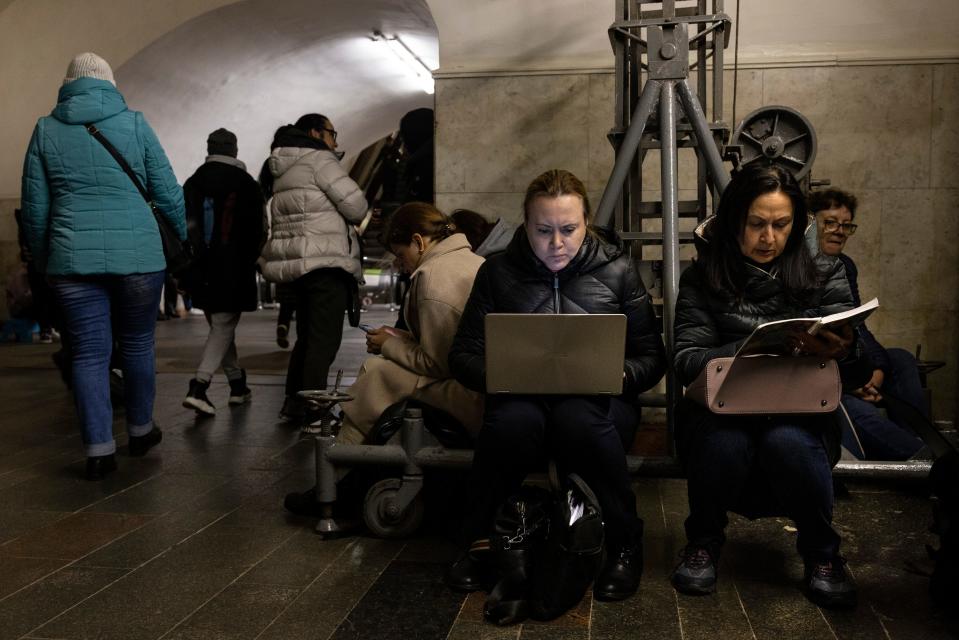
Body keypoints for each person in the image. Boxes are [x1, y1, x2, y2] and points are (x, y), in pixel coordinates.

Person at [445, 169, 667, 606]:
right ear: (525, 225)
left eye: (569, 229)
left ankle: (624, 542)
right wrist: (501, 374)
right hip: (521, 398)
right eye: (543, 230)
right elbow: (462, 354)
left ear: (587, 223)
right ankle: (479, 542)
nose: (556, 243)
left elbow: (652, 357)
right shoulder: (496, 273)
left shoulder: (619, 271)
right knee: (509, 422)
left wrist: (617, 376)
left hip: (599, 402)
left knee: (580, 419)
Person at [670, 164, 861, 609]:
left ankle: (822, 555)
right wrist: (749, 346)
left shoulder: (824, 270)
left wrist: (840, 349)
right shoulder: (704, 275)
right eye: (756, 224)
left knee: (789, 443)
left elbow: (856, 358)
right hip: (722, 410)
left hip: (800, 412)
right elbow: (684, 360)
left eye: (781, 224)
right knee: (725, 443)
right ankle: (703, 543)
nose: (768, 237)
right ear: (735, 218)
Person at [20, 52, 184, 480]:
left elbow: (36, 207)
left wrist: (44, 257)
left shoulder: (45, 129)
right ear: (110, 84)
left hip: (72, 260)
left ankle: (98, 449)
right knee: (137, 344)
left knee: (89, 354)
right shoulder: (135, 123)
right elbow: (167, 191)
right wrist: (178, 240)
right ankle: (141, 429)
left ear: (68, 83)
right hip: (140, 260)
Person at [283, 202, 485, 516]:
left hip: (470, 396)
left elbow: (438, 363)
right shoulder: (467, 260)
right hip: (476, 385)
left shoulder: (434, 279)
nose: (401, 265)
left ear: (419, 242)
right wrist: (398, 338)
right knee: (377, 372)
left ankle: (337, 482)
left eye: (401, 255)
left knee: (378, 374)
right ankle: (341, 478)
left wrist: (388, 347)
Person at [259, 114, 368, 424]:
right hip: (324, 261)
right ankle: (314, 407)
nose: (336, 141)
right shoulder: (320, 161)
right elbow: (356, 206)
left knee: (307, 337)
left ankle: (295, 402)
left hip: (296, 265)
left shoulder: (281, 166)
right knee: (323, 340)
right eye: (333, 133)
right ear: (315, 133)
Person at [809, 188, 925, 460]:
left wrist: (877, 369)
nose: (839, 231)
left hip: (848, 358)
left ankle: (918, 435)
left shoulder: (845, 265)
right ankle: (920, 456)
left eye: (846, 225)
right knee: (842, 396)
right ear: (810, 222)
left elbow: (858, 325)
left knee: (900, 359)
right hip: (822, 364)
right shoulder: (800, 266)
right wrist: (855, 378)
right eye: (830, 222)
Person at [180, 128, 265, 416]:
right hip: (234, 267)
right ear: (234, 150)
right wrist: (251, 259)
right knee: (223, 326)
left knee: (220, 326)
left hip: (199, 268)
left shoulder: (192, 183)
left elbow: (183, 225)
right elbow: (259, 231)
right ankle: (199, 387)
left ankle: (238, 387)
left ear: (209, 148)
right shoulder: (247, 184)